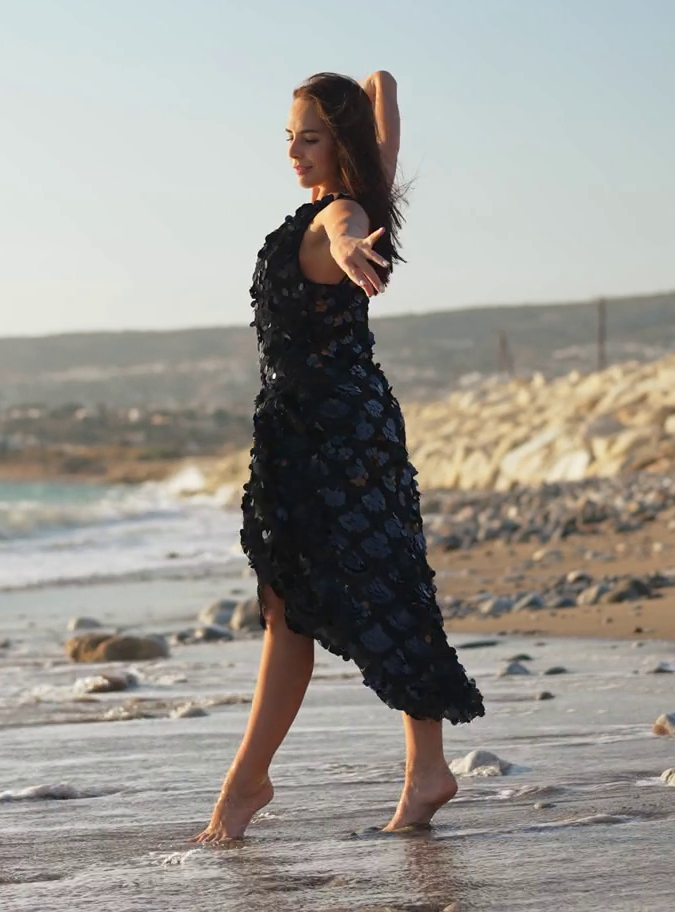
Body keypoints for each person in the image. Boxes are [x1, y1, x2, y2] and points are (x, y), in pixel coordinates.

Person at [192, 72, 484, 844]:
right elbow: (384, 88)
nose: (295, 151)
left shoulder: (344, 213)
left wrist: (351, 245)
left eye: (311, 138)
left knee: (314, 606)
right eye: (290, 137)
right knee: (358, 596)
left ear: (341, 144)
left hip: (328, 438)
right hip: (329, 431)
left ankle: (247, 787)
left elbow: (342, 226)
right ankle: (420, 771)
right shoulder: (364, 190)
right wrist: (363, 100)